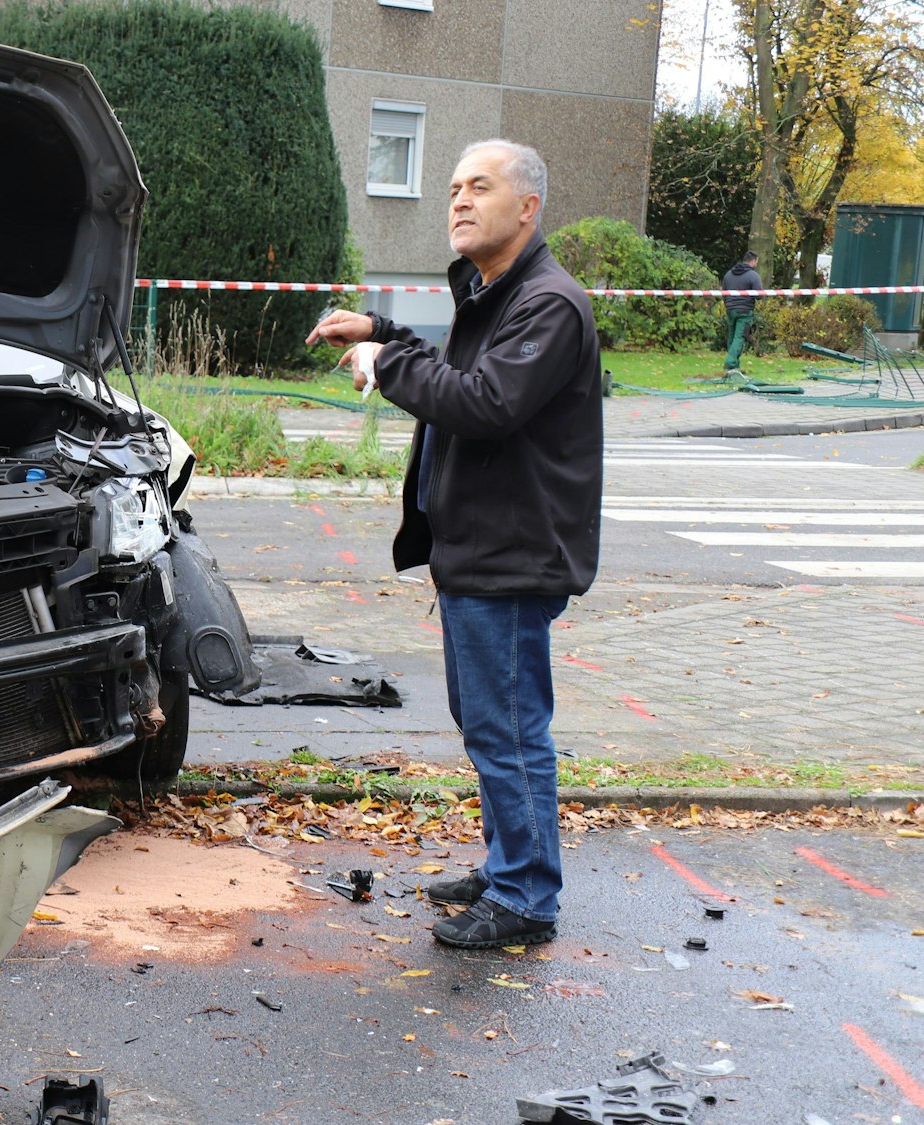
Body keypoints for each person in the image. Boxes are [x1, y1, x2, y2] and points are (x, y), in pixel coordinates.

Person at [307, 139, 603, 949]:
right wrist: (383, 329)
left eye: (481, 186)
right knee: (488, 724)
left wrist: (382, 360)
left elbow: (482, 402)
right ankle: (511, 860)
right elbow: (458, 368)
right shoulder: (498, 293)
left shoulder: (549, 302)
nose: (460, 201)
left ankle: (526, 897)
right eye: (452, 189)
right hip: (481, 546)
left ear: (528, 208)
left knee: (508, 731)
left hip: (511, 555)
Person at [721, 251, 764, 376]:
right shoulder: (753, 275)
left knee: (732, 337)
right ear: (753, 261)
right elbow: (759, 296)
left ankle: (735, 366)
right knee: (740, 338)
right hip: (745, 311)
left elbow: (724, 293)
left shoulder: (728, 274)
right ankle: (729, 364)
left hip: (730, 310)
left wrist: (728, 306)